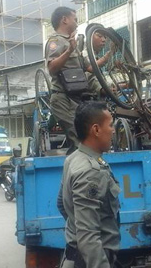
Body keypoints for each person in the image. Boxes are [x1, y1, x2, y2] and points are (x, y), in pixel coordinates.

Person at [60, 101, 120, 268]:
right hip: (91, 260)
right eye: (110, 125)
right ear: (96, 130)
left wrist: (75, 227)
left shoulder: (74, 158)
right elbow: (88, 236)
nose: (114, 130)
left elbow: (61, 204)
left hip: (78, 255)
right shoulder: (89, 171)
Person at [45, 7, 103, 155]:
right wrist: (69, 50)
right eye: (75, 19)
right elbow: (51, 68)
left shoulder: (73, 44)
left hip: (76, 99)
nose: (77, 23)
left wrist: (109, 55)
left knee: (85, 137)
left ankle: (73, 164)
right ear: (64, 19)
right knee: (79, 138)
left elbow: (90, 68)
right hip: (62, 99)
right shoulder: (55, 41)